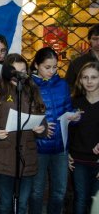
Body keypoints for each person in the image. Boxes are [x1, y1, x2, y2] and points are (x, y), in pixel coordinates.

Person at [0, 53, 47, 214]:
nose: (20, 75)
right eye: (15, 71)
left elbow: (41, 117)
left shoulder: (32, 90)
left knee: (23, 204)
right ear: (7, 72)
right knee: (5, 205)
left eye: (23, 71)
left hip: (27, 158)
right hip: (2, 158)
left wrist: (41, 129)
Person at [28, 47, 81, 214]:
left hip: (60, 147)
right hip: (38, 147)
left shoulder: (63, 85)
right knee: (37, 192)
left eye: (55, 67)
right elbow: (22, 116)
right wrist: (36, 128)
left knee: (59, 192)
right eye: (47, 67)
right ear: (36, 65)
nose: (52, 71)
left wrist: (74, 117)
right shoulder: (28, 85)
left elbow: (68, 109)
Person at [69, 62, 99, 214]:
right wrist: (66, 153)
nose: (89, 81)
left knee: (96, 200)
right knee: (80, 198)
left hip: (98, 161)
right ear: (80, 80)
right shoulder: (75, 103)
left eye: (94, 77)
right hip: (78, 160)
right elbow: (67, 131)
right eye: (85, 77)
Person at [66, 24, 99, 91]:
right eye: (95, 39)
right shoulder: (76, 63)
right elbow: (68, 88)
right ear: (89, 40)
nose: (98, 43)